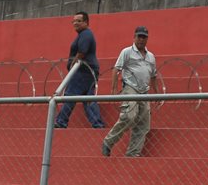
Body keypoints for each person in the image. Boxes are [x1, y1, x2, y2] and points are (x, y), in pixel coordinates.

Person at [101, 26, 157, 158]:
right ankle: (108, 142)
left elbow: (153, 76)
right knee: (129, 116)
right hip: (130, 87)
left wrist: (156, 93)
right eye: (139, 36)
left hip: (144, 91)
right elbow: (116, 69)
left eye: (144, 37)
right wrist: (114, 89)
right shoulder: (127, 52)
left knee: (144, 124)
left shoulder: (151, 57)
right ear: (134, 37)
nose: (141, 40)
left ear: (147, 39)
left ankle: (133, 153)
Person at [53, 11, 104, 129]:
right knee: (88, 98)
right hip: (88, 70)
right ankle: (97, 123)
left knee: (70, 95)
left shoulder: (85, 34)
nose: (75, 23)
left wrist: (72, 67)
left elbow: (81, 52)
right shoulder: (84, 34)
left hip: (83, 71)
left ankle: (61, 121)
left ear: (86, 22)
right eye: (74, 21)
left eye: (79, 21)